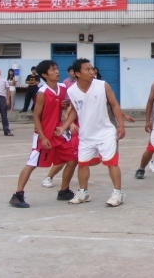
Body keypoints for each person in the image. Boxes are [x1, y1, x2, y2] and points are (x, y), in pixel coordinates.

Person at [65, 58, 135, 207]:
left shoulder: (103, 85)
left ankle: (118, 193)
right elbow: (73, 111)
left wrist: (121, 126)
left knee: (112, 163)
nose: (92, 72)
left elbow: (114, 105)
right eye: (87, 69)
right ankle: (83, 192)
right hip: (86, 134)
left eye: (92, 69)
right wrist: (65, 125)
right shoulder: (71, 91)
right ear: (77, 73)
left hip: (106, 132)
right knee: (82, 164)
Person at [9, 60, 78, 208]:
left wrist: (64, 105)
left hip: (58, 132)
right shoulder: (42, 93)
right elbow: (36, 116)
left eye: (57, 68)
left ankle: (64, 190)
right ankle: (17, 195)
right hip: (44, 134)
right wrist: (42, 136)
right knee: (32, 164)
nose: (57, 71)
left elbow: (64, 106)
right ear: (45, 75)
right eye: (53, 70)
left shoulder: (62, 87)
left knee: (72, 159)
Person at [42, 66, 79, 188]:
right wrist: (71, 123)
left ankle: (68, 188)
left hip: (90, 130)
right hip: (75, 129)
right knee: (68, 156)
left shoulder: (95, 89)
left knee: (76, 158)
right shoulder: (70, 88)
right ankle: (49, 177)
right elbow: (69, 109)